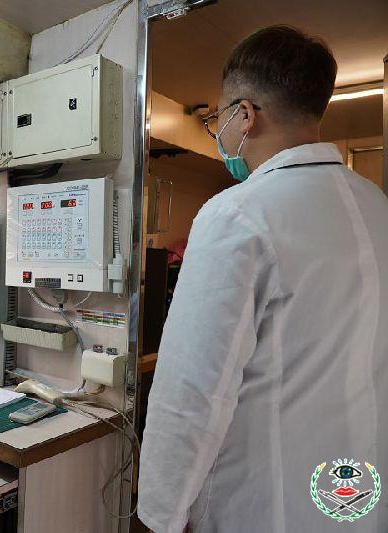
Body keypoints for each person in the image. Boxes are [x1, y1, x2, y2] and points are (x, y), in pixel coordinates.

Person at [138, 26, 388, 532]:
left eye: (218, 117)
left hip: (264, 502)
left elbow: (192, 393)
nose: (218, 131)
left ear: (246, 115)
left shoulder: (236, 215)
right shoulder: (375, 206)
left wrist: (158, 515)